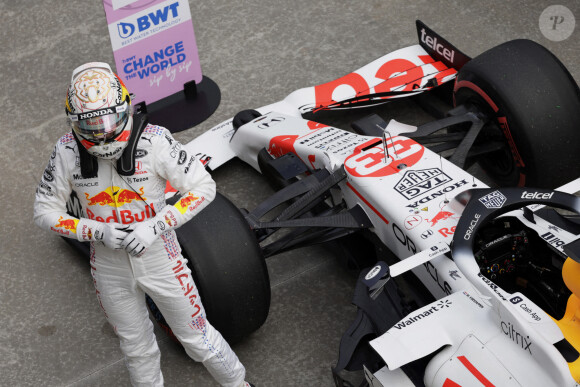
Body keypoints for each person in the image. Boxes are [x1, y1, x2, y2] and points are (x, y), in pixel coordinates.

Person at [34, 62, 254, 387]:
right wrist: (96, 231)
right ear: (73, 120)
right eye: (90, 123)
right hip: (108, 269)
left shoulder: (155, 141)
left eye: (107, 119)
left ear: (125, 107)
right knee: (137, 350)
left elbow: (203, 187)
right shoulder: (66, 150)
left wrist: (155, 225)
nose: (102, 131)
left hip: (161, 259)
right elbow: (43, 210)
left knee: (197, 338)